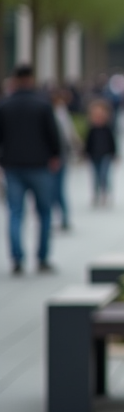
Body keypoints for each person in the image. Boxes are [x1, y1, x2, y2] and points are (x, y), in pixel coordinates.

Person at [0, 65, 62, 274]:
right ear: (31, 79)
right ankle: (42, 257)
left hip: (13, 165)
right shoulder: (42, 104)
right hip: (39, 165)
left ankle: (17, 258)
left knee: (15, 213)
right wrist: (55, 156)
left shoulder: (5, 105)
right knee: (44, 212)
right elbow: (53, 134)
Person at [50, 89, 81, 231]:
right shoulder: (59, 114)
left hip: (56, 157)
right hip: (57, 157)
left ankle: (61, 218)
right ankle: (61, 218)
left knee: (56, 190)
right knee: (57, 190)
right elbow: (69, 134)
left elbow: (69, 133)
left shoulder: (60, 113)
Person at [84, 99, 119, 207]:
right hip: (94, 155)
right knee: (95, 176)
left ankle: (105, 194)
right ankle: (96, 194)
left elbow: (112, 142)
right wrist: (85, 153)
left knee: (104, 175)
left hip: (106, 154)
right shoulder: (92, 129)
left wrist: (114, 154)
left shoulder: (107, 129)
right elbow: (88, 142)